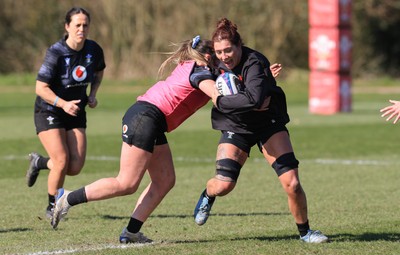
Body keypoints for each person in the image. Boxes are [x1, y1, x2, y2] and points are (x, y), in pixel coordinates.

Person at [50, 36, 220, 244]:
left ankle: (131, 233)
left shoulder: (197, 66)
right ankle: (66, 198)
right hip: (145, 118)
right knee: (127, 183)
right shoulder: (200, 72)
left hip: (150, 119)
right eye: (220, 55)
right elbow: (217, 93)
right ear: (209, 56)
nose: (223, 58)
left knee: (164, 180)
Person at [193, 18, 328, 243]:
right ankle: (207, 195)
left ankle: (306, 233)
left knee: (292, 184)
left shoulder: (254, 61)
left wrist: (222, 101)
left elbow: (255, 100)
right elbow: (192, 65)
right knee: (224, 185)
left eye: (228, 50)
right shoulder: (213, 62)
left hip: (268, 124)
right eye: (219, 52)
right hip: (236, 126)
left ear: (239, 46)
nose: (224, 56)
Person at [26, 7, 106, 219]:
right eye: (77, 25)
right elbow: (40, 88)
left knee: (75, 166)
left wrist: (93, 93)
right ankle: (53, 206)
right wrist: (62, 104)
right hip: (49, 109)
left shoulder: (94, 50)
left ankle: (39, 163)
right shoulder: (56, 52)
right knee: (61, 160)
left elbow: (99, 69)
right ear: (67, 26)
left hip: (76, 111)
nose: (81, 29)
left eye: (85, 25)